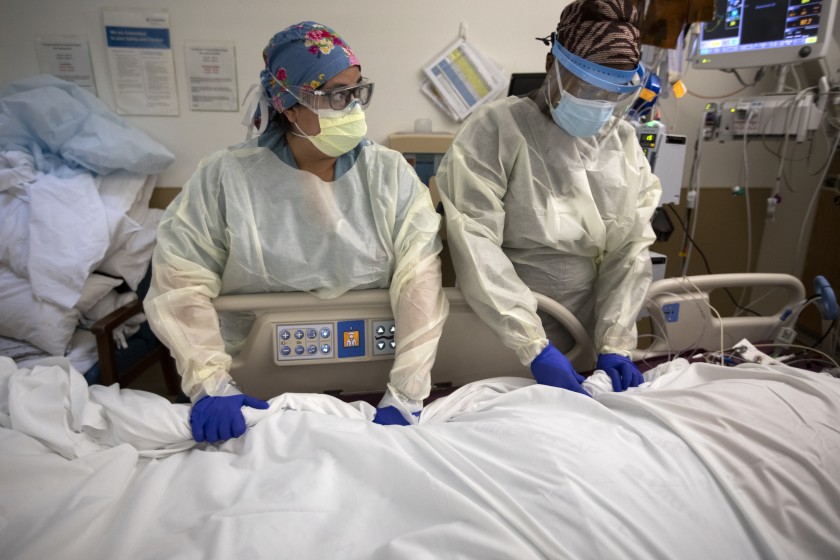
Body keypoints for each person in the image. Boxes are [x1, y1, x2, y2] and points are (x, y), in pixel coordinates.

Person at [145, 21, 448, 442]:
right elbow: (179, 282)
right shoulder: (225, 178)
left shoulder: (389, 175)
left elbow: (420, 277)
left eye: (357, 90)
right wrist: (211, 383)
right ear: (289, 106)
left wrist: (408, 392)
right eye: (336, 95)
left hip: (376, 384)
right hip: (251, 388)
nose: (354, 107)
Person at [436, 0, 661, 396]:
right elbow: (474, 243)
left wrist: (616, 343)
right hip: (500, 336)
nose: (598, 104)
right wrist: (531, 345)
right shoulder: (496, 131)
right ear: (552, 65)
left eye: (611, 94)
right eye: (588, 87)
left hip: (588, 338)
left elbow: (628, 250)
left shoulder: (622, 144)